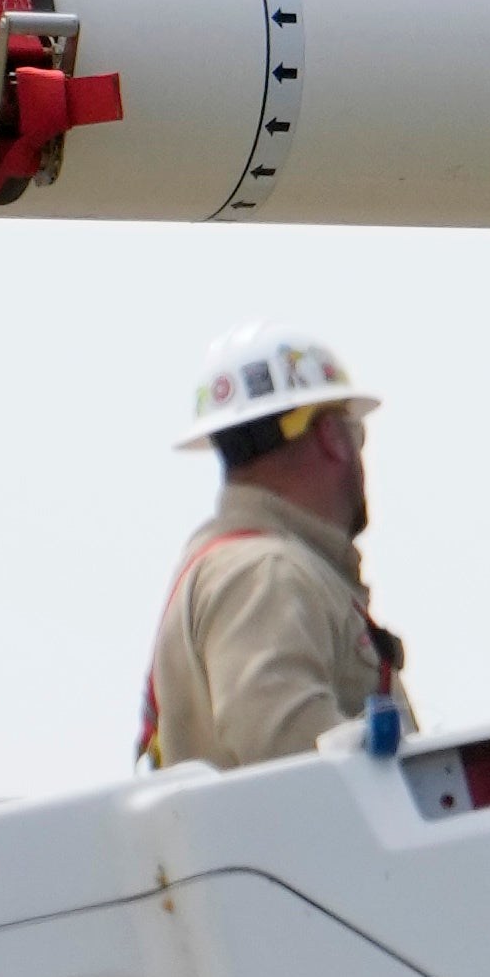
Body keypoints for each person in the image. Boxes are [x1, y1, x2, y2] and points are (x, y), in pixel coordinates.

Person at [143, 328, 409, 772]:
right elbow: (294, 760)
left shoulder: (238, 563)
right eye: (355, 433)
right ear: (332, 437)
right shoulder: (265, 574)